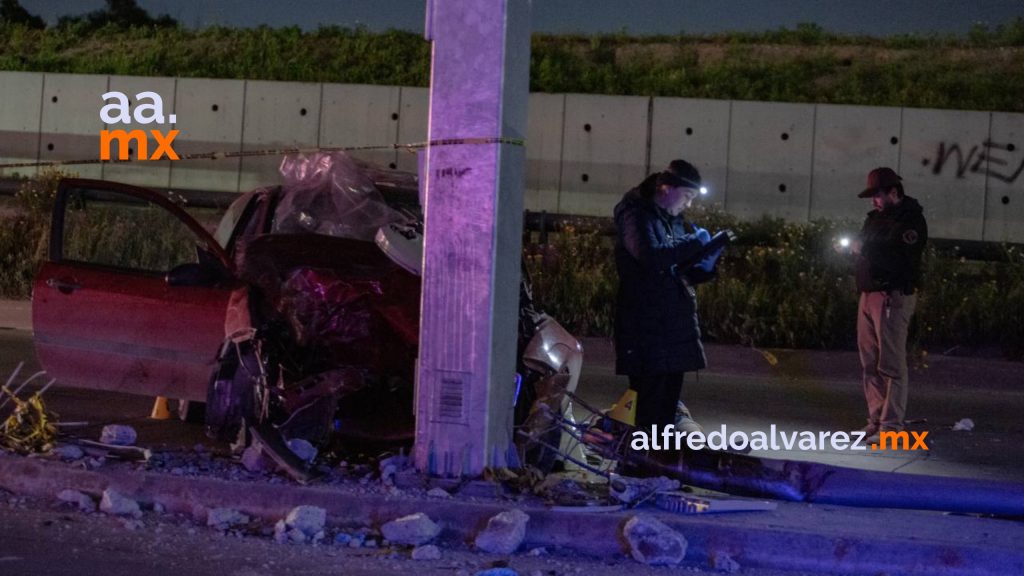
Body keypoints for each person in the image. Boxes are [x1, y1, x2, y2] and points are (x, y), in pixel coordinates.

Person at [613, 159, 723, 440]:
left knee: (667, 404)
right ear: (666, 188)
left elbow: (677, 266)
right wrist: (694, 243)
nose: (688, 204)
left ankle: (659, 463)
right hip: (646, 325)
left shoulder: (671, 219)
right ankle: (640, 466)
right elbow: (651, 257)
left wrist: (706, 262)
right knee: (649, 406)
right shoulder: (635, 213)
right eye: (687, 196)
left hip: (671, 326)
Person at [851, 167, 927, 442]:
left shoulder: (911, 222)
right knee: (869, 362)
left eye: (877, 195)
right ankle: (875, 420)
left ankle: (891, 426)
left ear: (893, 192)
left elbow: (901, 261)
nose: (874, 201)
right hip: (869, 295)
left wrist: (865, 250)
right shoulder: (875, 219)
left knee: (891, 364)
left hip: (892, 296)